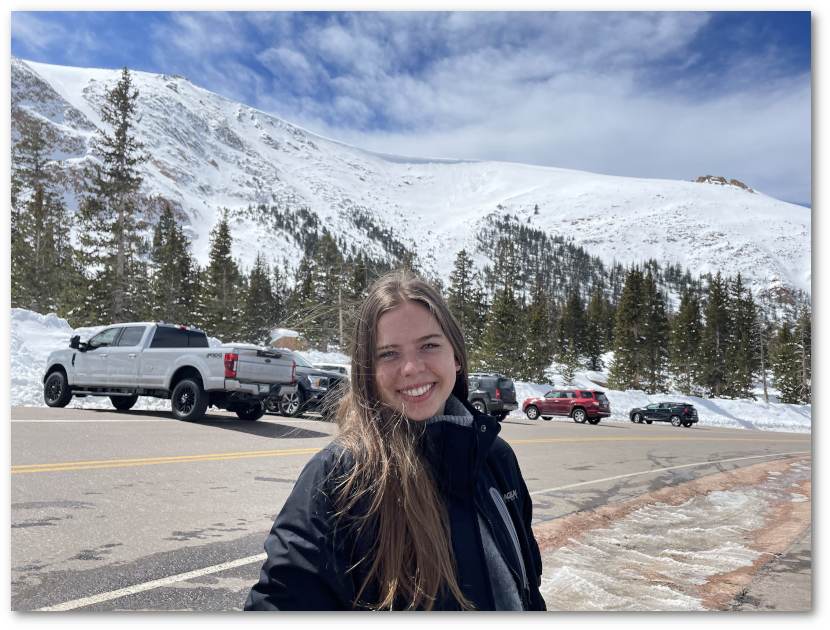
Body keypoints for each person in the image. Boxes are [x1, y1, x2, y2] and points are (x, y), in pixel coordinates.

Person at [245, 271, 546, 610]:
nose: (411, 368)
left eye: (429, 345)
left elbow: (528, 588)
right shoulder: (340, 476)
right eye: (388, 354)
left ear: (457, 357)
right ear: (366, 371)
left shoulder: (495, 458)